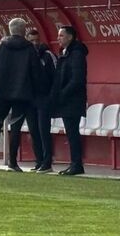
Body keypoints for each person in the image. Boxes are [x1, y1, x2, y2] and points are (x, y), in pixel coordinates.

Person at [0, 18, 41, 172]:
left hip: (2, 93)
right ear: (23, 31)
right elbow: (36, 73)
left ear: (10, 30)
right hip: (22, 94)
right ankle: (12, 163)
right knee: (15, 128)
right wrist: (33, 90)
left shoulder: (0, 46)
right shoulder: (29, 49)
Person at [51, 25, 88, 176]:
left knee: (73, 132)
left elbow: (77, 79)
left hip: (73, 100)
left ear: (70, 37)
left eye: (61, 35)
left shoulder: (77, 53)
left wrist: (62, 94)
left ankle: (77, 164)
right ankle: (74, 163)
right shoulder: (65, 53)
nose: (58, 38)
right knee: (71, 132)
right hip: (67, 99)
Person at [25, 28, 57, 173]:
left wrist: (51, 96)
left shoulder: (48, 55)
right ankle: (38, 161)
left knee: (44, 130)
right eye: (32, 41)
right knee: (34, 131)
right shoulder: (24, 55)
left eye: (37, 40)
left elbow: (56, 77)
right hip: (29, 99)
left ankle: (47, 162)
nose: (35, 43)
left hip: (44, 98)